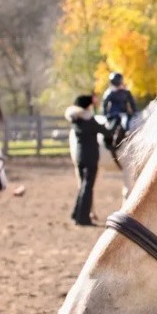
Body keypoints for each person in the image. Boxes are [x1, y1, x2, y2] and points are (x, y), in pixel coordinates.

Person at [66, 94, 112, 226]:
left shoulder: (76, 120)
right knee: (87, 187)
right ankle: (83, 218)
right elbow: (105, 131)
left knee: (83, 186)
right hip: (90, 157)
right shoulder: (90, 121)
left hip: (80, 157)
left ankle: (76, 213)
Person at [101, 72, 137, 137]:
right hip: (113, 114)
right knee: (111, 127)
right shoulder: (109, 92)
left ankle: (127, 134)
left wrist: (134, 111)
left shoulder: (126, 92)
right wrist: (105, 114)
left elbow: (132, 102)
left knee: (126, 122)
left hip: (123, 113)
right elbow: (105, 104)